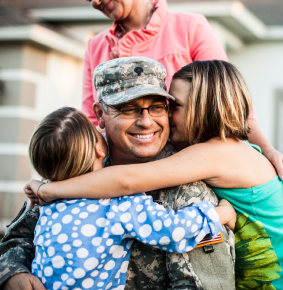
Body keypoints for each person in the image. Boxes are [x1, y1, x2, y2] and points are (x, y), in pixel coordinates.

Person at [28, 60, 283, 289]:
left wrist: (50, 191)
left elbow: (128, 181)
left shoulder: (214, 154)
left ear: (203, 109)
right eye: (129, 109)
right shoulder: (230, 148)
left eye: (172, 106)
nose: (163, 117)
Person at [0, 57, 236, 290]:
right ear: (100, 115)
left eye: (156, 107)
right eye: (128, 109)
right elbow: (16, 238)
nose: (146, 121)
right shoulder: (76, 167)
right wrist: (14, 273)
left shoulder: (190, 194)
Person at [63, 0, 283, 189]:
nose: (94, 0)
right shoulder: (95, 47)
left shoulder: (190, 28)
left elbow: (229, 104)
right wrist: (55, 180)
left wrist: (267, 150)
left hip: (189, 181)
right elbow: (90, 128)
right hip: (118, 183)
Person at [28, 106, 233, 290]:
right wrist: (220, 214)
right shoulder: (118, 204)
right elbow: (173, 230)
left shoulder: (47, 201)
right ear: (98, 147)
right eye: (127, 109)